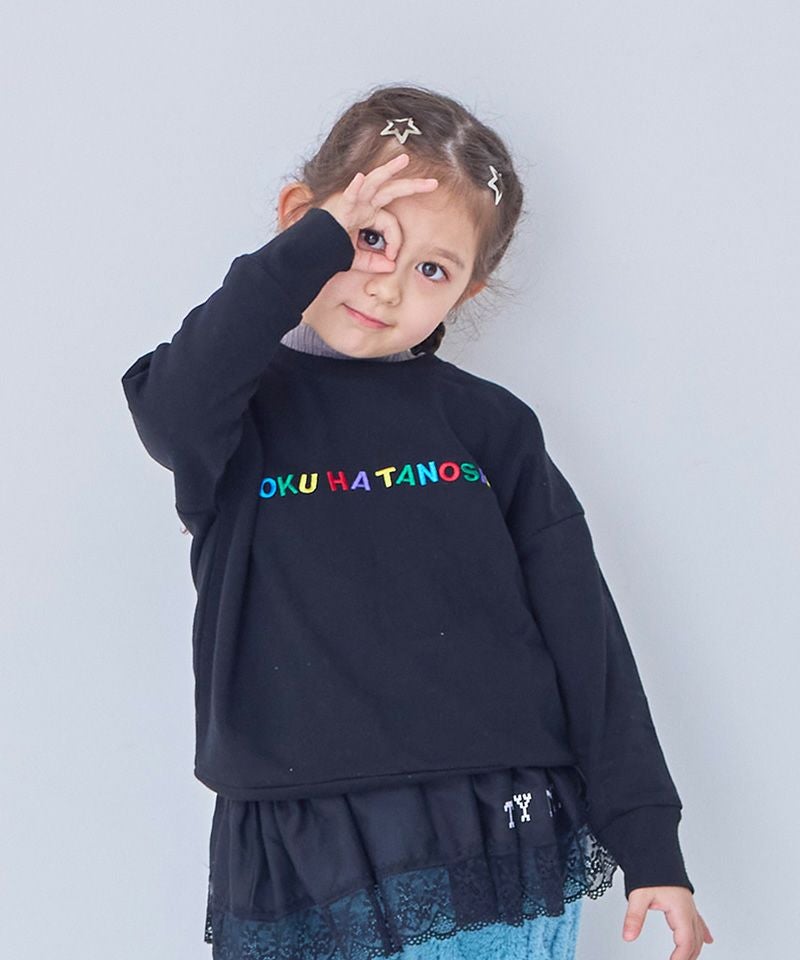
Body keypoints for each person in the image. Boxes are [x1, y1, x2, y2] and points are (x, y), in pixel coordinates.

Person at [121, 83, 714, 960]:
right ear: (300, 219)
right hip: (296, 836)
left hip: (492, 824)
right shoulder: (230, 419)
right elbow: (171, 408)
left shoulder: (490, 427)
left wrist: (649, 838)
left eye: (432, 270)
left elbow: (585, 636)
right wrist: (306, 252)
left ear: (467, 291)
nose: (388, 285)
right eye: (369, 239)